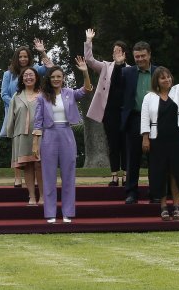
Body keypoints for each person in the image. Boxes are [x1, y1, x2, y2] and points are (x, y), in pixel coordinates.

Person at [141, 53, 179, 221]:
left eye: (168, 77)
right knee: (161, 173)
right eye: (163, 78)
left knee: (176, 173)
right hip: (157, 140)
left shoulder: (178, 92)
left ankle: (176, 206)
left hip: (178, 139)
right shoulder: (149, 97)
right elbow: (145, 118)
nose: (167, 80)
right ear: (157, 81)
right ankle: (163, 207)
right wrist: (145, 138)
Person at [33, 58, 93, 224]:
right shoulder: (42, 97)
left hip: (67, 133)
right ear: (49, 79)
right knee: (49, 176)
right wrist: (35, 144)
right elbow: (38, 122)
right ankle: (50, 212)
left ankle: (67, 212)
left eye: (59, 76)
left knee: (68, 175)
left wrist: (85, 72)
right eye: (53, 77)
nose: (56, 79)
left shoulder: (70, 93)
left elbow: (87, 89)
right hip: (49, 136)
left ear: (63, 78)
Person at [0, 40, 54, 187]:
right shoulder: (8, 74)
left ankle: (35, 177)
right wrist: (17, 103)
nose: (23, 59)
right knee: (17, 146)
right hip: (16, 112)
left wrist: (42, 52)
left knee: (35, 144)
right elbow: (3, 94)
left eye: (25, 57)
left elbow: (50, 69)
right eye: (20, 57)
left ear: (29, 58)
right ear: (16, 58)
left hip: (34, 112)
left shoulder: (35, 69)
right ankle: (18, 177)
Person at [84, 29, 129, 187]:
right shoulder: (105, 66)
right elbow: (89, 60)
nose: (115, 53)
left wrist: (120, 64)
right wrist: (89, 41)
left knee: (126, 144)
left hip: (125, 112)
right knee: (113, 144)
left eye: (118, 51)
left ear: (124, 53)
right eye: (114, 51)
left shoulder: (130, 69)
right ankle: (115, 176)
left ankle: (127, 176)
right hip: (109, 112)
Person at [121, 41, 159, 204]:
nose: (140, 59)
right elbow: (116, 90)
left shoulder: (159, 72)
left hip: (157, 119)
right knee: (133, 157)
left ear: (149, 55)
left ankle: (156, 192)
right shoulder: (126, 72)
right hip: (135, 118)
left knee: (156, 158)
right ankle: (132, 192)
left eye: (143, 55)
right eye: (137, 56)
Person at [5, 66, 44, 206]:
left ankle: (43, 196)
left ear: (36, 77)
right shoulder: (17, 96)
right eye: (25, 75)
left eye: (31, 75)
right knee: (27, 166)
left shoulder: (43, 94)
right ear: (22, 79)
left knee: (39, 165)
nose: (28, 77)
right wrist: (10, 134)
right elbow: (11, 117)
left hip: (40, 135)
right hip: (21, 135)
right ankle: (32, 196)